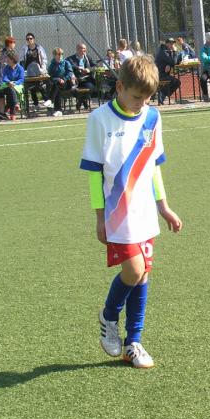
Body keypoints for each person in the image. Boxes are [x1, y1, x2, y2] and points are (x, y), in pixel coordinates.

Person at [79, 54, 183, 369]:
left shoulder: (152, 117)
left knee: (143, 275)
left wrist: (163, 206)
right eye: (137, 97)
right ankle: (108, 315)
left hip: (145, 212)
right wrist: (99, 217)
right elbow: (94, 173)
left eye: (147, 97)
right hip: (117, 214)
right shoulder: (99, 119)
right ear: (120, 88)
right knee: (134, 271)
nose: (142, 104)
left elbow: (153, 167)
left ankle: (133, 343)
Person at [21, 32, 52, 110]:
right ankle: (36, 104)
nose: (29, 40)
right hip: (28, 72)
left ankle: (48, 103)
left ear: (34, 39)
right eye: (27, 39)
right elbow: (21, 60)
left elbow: (44, 59)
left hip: (39, 71)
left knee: (41, 86)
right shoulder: (24, 48)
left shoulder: (39, 48)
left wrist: (43, 69)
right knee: (32, 87)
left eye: (30, 38)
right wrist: (23, 71)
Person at [67, 43, 96, 110]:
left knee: (90, 87)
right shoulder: (71, 58)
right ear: (77, 49)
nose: (84, 50)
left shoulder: (88, 58)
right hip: (76, 79)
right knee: (72, 89)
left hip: (86, 79)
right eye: (82, 48)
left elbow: (95, 66)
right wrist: (78, 68)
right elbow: (68, 65)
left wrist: (89, 69)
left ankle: (80, 101)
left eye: (85, 49)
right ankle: (84, 101)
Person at [47, 47, 76, 116]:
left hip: (67, 83)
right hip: (57, 84)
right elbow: (50, 75)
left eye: (61, 54)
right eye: (58, 54)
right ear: (54, 55)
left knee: (56, 86)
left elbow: (70, 73)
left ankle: (51, 100)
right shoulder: (52, 65)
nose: (60, 55)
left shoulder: (66, 63)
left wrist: (64, 79)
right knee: (56, 87)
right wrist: (57, 79)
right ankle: (58, 110)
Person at [0, 50, 24, 120]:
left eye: (8, 59)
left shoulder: (20, 68)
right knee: (10, 90)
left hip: (17, 86)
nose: (7, 61)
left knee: (11, 92)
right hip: (7, 85)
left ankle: (9, 110)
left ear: (13, 60)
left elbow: (21, 79)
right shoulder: (6, 68)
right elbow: (4, 78)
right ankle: (15, 106)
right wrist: (9, 82)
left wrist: (14, 83)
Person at [154, 37, 182, 104]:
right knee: (176, 82)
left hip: (165, 73)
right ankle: (161, 95)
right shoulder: (163, 51)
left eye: (173, 43)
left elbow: (176, 61)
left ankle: (162, 96)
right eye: (170, 43)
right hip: (159, 75)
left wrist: (169, 65)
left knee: (176, 82)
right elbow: (173, 61)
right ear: (166, 44)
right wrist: (175, 52)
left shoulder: (168, 51)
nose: (172, 45)